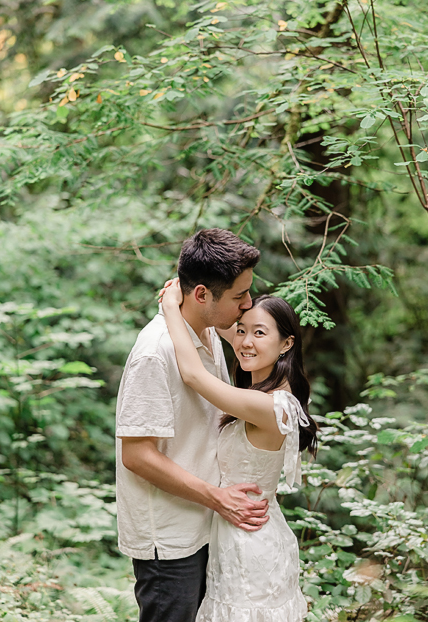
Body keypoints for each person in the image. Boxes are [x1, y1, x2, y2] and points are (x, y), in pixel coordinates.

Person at [115, 228, 268, 622]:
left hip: (204, 524)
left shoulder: (206, 333)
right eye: (239, 296)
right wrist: (217, 497)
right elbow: (135, 454)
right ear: (201, 294)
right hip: (170, 538)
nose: (248, 304)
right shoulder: (155, 354)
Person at [161, 279, 317, 621]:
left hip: (252, 547)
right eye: (242, 331)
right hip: (238, 538)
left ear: (287, 343)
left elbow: (193, 375)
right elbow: (233, 335)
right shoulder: (270, 391)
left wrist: (171, 306)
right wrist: (227, 313)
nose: (245, 341)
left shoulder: (268, 406)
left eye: (260, 333)